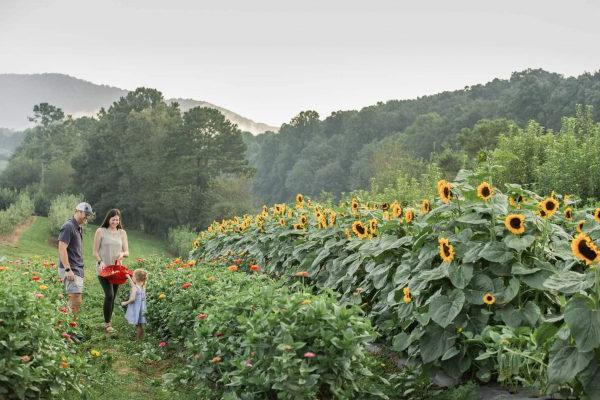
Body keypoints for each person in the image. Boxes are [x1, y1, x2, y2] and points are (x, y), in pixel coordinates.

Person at [93, 208, 129, 333]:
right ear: (108, 219)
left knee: (112, 298)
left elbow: (127, 251)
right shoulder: (100, 231)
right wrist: (100, 261)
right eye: (113, 219)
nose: (115, 222)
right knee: (109, 295)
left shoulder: (122, 233)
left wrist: (122, 254)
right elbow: (95, 251)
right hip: (103, 269)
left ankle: (108, 321)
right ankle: (107, 324)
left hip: (116, 270)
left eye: (117, 220)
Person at [58, 202, 94, 315]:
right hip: (71, 269)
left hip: (76, 269)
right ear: (77, 211)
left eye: (89, 215)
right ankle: (69, 329)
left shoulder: (78, 228)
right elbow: (62, 248)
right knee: (75, 298)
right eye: (85, 214)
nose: (87, 217)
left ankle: (68, 328)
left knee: (74, 300)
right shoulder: (68, 226)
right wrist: (68, 269)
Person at [122, 269, 148, 340]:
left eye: (132, 276)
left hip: (137, 309)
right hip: (142, 309)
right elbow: (133, 285)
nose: (132, 277)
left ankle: (138, 340)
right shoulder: (142, 286)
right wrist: (129, 278)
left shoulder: (134, 288)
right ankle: (142, 338)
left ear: (136, 278)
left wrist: (125, 303)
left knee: (138, 326)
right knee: (141, 325)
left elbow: (132, 299)